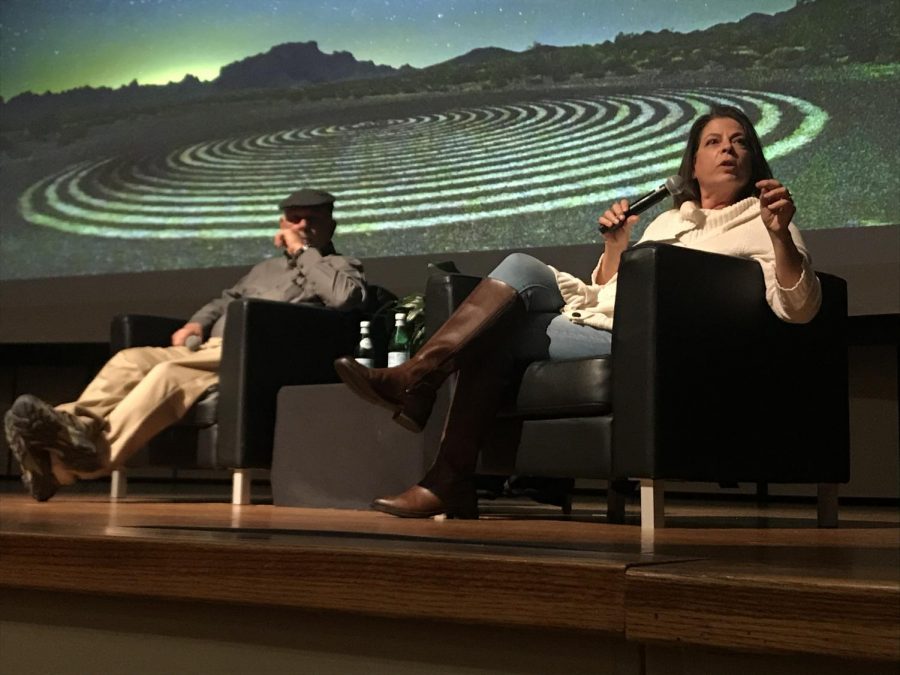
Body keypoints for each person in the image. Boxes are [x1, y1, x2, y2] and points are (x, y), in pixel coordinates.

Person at [334, 105, 822, 519]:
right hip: (610, 325)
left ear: (753, 158)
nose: (728, 150)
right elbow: (606, 293)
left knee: (495, 332)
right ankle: (436, 442)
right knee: (519, 276)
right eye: (713, 142)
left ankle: (425, 405)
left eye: (739, 142)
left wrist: (781, 236)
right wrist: (616, 248)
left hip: (658, 345)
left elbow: (798, 309)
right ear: (692, 164)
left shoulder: (767, 219)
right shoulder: (669, 220)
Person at [5, 188, 367, 501]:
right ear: (282, 224)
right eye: (294, 219)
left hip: (258, 356)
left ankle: (79, 464)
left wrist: (305, 253)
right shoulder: (264, 270)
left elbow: (345, 299)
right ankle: (71, 428)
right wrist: (198, 321)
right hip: (209, 349)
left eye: (311, 219)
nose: (301, 226)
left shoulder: (339, 264)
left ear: (330, 226)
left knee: (167, 374)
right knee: (131, 359)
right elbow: (225, 299)